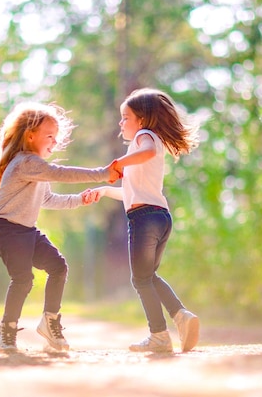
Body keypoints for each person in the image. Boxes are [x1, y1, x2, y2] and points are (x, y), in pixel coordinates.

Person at [0, 102, 120, 353]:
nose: (55, 142)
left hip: (26, 230)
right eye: (50, 136)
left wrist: (80, 199)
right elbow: (60, 173)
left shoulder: (36, 169)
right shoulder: (26, 162)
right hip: (6, 229)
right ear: (30, 136)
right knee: (23, 279)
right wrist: (103, 173)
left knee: (58, 267)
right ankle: (6, 332)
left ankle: (49, 322)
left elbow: (48, 199)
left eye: (56, 137)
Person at [83, 88, 200, 353]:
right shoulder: (147, 144)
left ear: (143, 120)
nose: (121, 123)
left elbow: (145, 152)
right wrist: (103, 191)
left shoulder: (144, 137)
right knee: (148, 275)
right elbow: (131, 192)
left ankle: (159, 334)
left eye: (126, 117)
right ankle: (181, 316)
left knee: (140, 279)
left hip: (144, 219)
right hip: (159, 216)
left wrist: (118, 163)